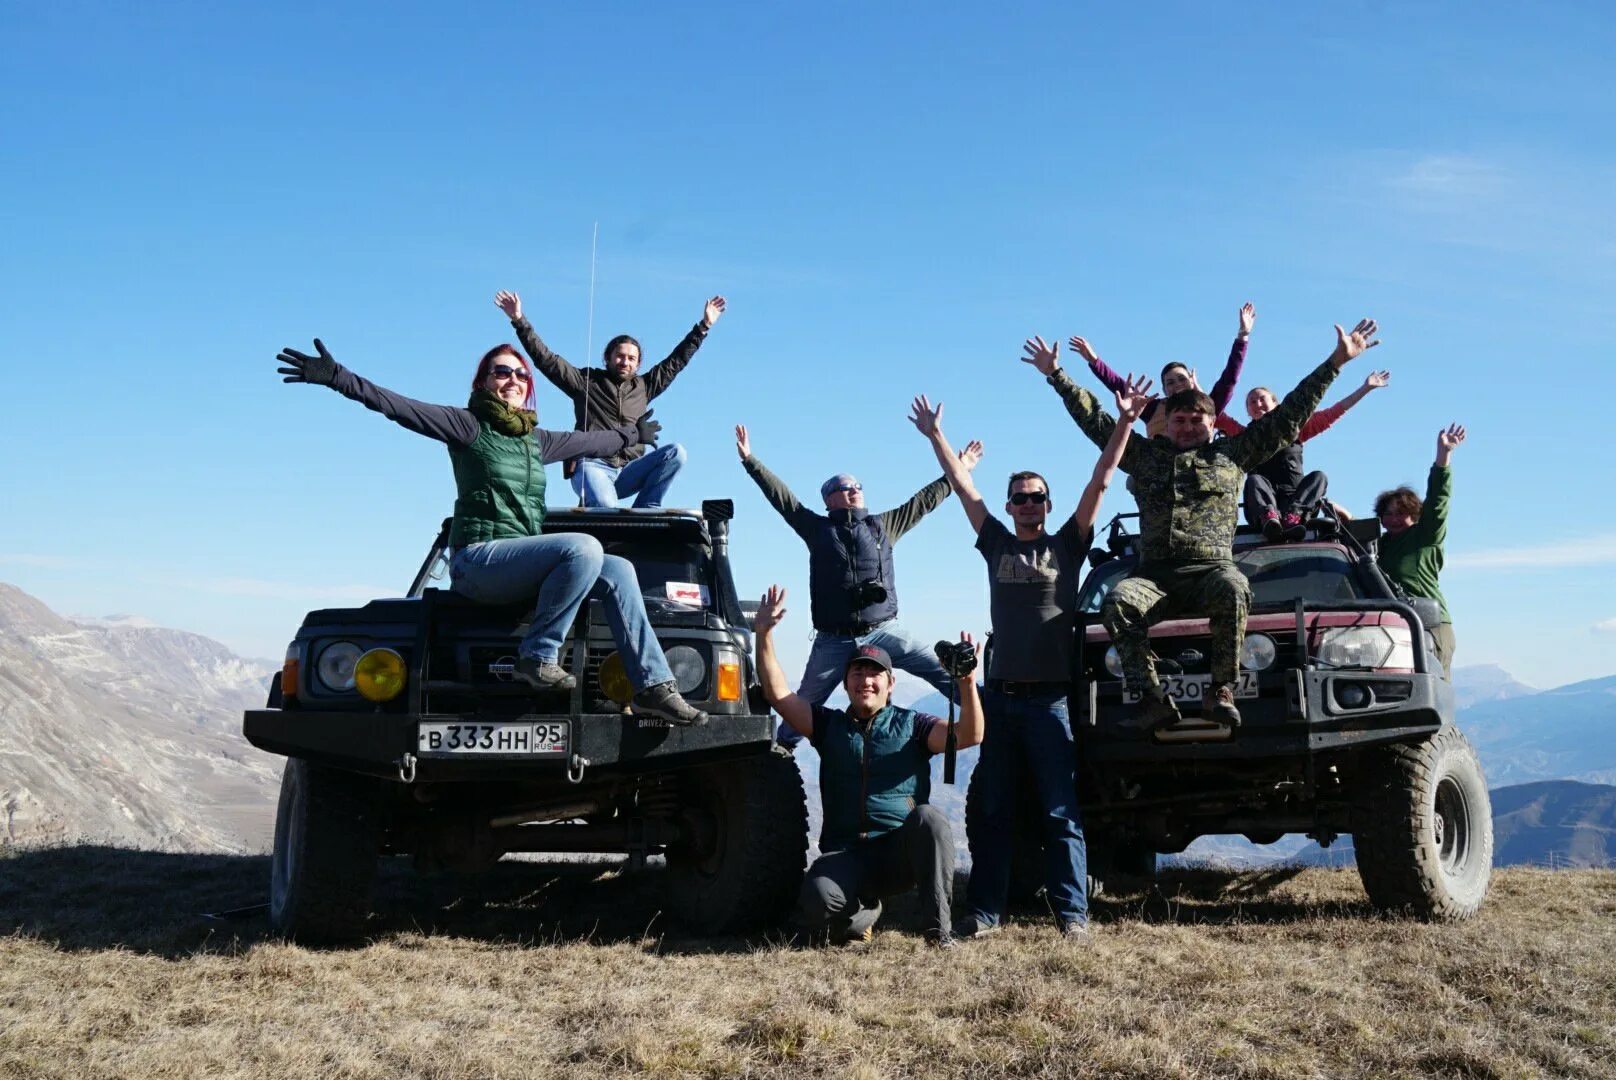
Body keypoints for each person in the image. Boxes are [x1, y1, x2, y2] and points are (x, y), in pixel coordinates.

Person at [274, 336, 709, 725]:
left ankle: (653, 686)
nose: (514, 379)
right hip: (478, 560)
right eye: (502, 371)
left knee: (618, 570)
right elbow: (398, 407)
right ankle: (538, 656)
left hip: (522, 566)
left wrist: (632, 433)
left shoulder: (537, 441)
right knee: (584, 548)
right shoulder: (467, 426)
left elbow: (594, 443)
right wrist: (337, 377)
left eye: (521, 374)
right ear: (483, 382)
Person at [1028, 319, 1382, 729]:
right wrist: (1057, 375)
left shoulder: (1232, 456)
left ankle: (1221, 691)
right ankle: (1152, 696)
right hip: (1155, 577)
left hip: (1212, 572)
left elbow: (1288, 417)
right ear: (1167, 423)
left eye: (1198, 420)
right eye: (1179, 420)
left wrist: (1336, 362)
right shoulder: (1144, 457)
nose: (1188, 427)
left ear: (1213, 425)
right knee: (1118, 603)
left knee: (1235, 588)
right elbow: (1096, 423)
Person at [908, 375, 1154, 940]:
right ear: (1009, 505)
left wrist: (1122, 421)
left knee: (1061, 814)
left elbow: (1102, 478)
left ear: (1048, 504)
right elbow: (962, 485)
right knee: (993, 812)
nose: (1027, 504)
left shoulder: (1068, 544)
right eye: (1019, 497)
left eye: (1036, 496)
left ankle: (1073, 916)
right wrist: (936, 436)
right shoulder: (995, 541)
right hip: (999, 701)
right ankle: (987, 912)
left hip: (1051, 703)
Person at [753, 584, 983, 947]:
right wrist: (763, 635)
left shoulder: (914, 725)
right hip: (846, 854)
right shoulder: (828, 726)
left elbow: (969, 735)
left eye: (875, 674)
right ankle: (864, 912)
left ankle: (938, 932)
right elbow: (779, 695)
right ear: (845, 683)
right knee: (816, 903)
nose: (866, 681)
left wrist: (967, 685)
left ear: (890, 684)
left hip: (898, 853)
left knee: (931, 820)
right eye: (857, 673)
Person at [735, 424, 983, 748]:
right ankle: (779, 754)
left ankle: (993, 715)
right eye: (844, 486)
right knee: (805, 703)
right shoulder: (817, 530)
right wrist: (750, 460)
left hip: (885, 630)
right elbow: (784, 500)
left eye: (857, 485)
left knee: (941, 672)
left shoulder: (884, 525)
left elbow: (925, 500)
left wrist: (958, 469)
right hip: (833, 641)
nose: (854, 489)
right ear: (829, 499)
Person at [494, 289, 726, 509]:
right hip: (592, 465)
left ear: (638, 363)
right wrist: (519, 320)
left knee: (676, 453)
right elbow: (546, 360)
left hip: (628, 470)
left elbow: (676, 362)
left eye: (631, 358)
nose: (625, 362)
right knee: (607, 507)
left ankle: (645, 512)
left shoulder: (644, 387)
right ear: (608, 358)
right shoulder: (585, 381)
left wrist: (703, 327)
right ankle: (600, 506)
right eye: (620, 356)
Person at [1216, 370, 1392, 539]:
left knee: (1319, 476)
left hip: (1295, 501)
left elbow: (1335, 411)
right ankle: (1269, 518)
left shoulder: (1296, 430)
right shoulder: (1244, 437)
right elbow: (1214, 414)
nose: (1257, 404)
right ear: (1248, 411)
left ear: (1276, 404)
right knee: (1254, 480)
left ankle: (1294, 516)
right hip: (1263, 506)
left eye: (1262, 399)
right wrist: (1191, 388)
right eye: (1251, 402)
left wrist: (1365, 388)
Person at [1071, 302, 1254, 440]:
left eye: (1182, 379)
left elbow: (1229, 379)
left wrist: (1242, 337)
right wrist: (1094, 360)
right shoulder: (1152, 408)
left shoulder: (1207, 405)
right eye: (1170, 383)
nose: (1177, 385)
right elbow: (1117, 384)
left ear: (1191, 381)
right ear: (1165, 390)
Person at [1376, 424, 1465, 678]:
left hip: (1431, 625)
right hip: (1397, 627)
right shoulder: (1381, 547)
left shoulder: (1425, 536)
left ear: (1414, 514)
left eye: (1400, 513)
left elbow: (1438, 501)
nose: (1393, 519)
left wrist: (1443, 458)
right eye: (1388, 514)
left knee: (1434, 688)